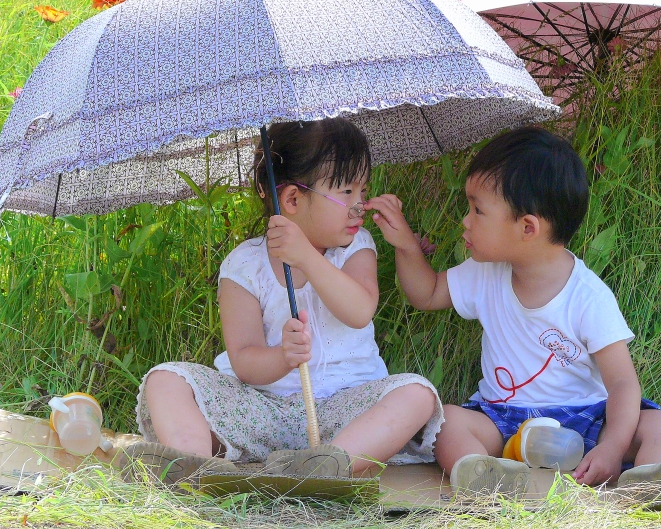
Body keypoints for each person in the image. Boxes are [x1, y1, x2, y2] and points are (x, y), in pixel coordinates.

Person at [367, 126, 661, 501]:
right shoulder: (485, 273)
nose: (466, 221)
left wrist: (612, 449)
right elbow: (428, 292)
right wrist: (404, 244)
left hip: (586, 422)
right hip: (504, 422)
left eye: (478, 210)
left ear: (528, 227)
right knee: (447, 422)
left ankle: (653, 486)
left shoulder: (587, 297)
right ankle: (485, 481)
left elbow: (623, 385)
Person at [131, 118, 443, 483]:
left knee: (417, 394)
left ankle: (330, 465)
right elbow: (244, 360)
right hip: (261, 411)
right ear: (293, 198)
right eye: (346, 192)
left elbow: (359, 311)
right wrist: (283, 357)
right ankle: (195, 467)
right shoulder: (244, 265)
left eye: (364, 191)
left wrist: (307, 258)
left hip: (345, 409)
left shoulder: (355, 248)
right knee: (166, 379)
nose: (360, 205)